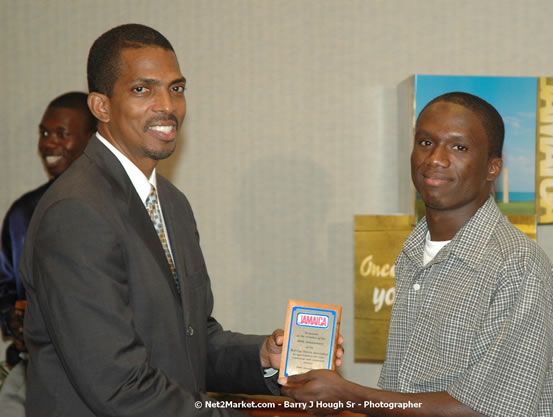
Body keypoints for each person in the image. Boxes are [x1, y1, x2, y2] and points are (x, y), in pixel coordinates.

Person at [20, 24, 335, 417]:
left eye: (176, 88)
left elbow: (192, 338)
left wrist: (264, 356)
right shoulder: (76, 212)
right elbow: (118, 385)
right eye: (142, 89)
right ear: (101, 106)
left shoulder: (171, 202)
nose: (167, 105)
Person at [282, 92, 553, 417]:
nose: (436, 159)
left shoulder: (517, 266)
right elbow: (408, 388)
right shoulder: (414, 249)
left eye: (459, 147)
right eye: (426, 143)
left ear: (492, 167)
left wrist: (350, 395)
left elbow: (485, 410)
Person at [0, 91, 96, 380]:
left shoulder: (118, 208)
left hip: (102, 372)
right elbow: (4, 286)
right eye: (44, 132)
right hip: (35, 372)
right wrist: (12, 320)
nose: (48, 142)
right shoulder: (23, 213)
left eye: (61, 133)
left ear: (92, 140)